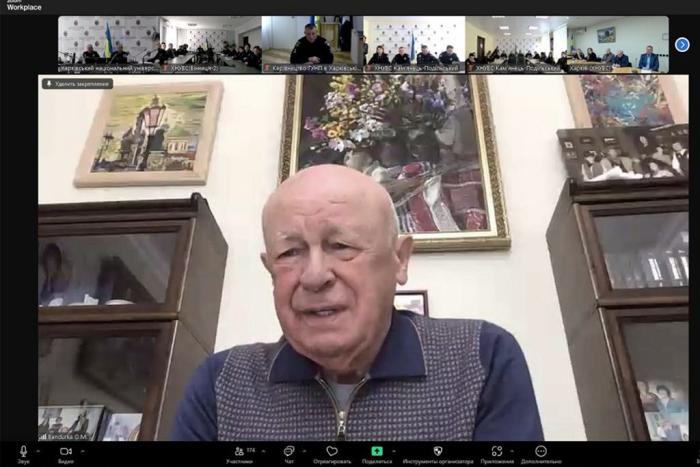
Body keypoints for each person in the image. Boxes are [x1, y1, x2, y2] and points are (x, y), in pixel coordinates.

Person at [171, 164, 544, 441]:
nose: (314, 275)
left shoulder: (480, 359)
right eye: (290, 253)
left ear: (400, 260)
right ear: (270, 271)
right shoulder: (223, 383)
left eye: (341, 245)